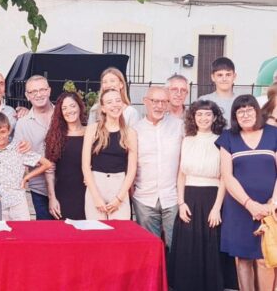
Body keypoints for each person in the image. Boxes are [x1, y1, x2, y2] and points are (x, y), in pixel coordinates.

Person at [168, 100, 233, 291]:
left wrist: (217, 208)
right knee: (188, 245)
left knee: (210, 245)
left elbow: (224, 177)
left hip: (212, 198)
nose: (203, 118)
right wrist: (181, 203)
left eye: (207, 114)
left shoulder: (222, 140)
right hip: (189, 198)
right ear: (193, 117)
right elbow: (181, 174)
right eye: (199, 114)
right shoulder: (187, 140)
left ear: (215, 117)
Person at [216, 95, 277, 291]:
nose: (245, 114)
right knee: (243, 260)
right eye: (240, 111)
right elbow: (227, 176)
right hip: (239, 208)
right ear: (235, 116)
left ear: (257, 111)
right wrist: (250, 204)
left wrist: (272, 204)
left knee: (266, 258)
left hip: (270, 209)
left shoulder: (274, 134)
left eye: (249, 109)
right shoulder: (228, 137)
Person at [132, 87, 184, 250]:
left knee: (175, 246)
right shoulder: (135, 129)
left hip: (172, 196)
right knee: (150, 248)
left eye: (164, 102)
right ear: (145, 101)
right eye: (155, 101)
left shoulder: (179, 126)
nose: (159, 106)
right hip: (144, 197)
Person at [82, 88, 138, 220]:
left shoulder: (130, 133)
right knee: (96, 230)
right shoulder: (92, 130)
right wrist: (96, 197)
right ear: (103, 108)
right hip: (96, 185)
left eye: (118, 100)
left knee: (120, 231)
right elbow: (85, 166)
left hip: (119, 186)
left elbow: (132, 169)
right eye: (109, 102)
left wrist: (119, 198)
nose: (115, 105)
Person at [0, 113, 52, 220]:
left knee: (23, 229)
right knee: (0, 230)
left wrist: (26, 177)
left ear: (9, 130)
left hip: (18, 203)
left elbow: (47, 164)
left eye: (3, 132)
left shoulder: (19, 149)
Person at [13, 75, 54, 220]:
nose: (38, 94)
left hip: (66, 185)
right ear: (27, 96)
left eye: (42, 89)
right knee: (44, 230)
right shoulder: (22, 123)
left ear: (49, 90)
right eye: (33, 91)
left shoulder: (63, 114)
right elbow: (19, 156)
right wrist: (39, 162)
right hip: (39, 188)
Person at [44, 91, 87, 220]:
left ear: (80, 106)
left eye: (72, 106)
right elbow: (49, 170)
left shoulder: (91, 133)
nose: (69, 111)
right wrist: (52, 198)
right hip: (64, 195)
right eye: (64, 108)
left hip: (89, 193)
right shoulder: (55, 136)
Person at [199, 57, 237, 127]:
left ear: (234, 76)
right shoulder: (204, 100)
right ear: (213, 77)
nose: (224, 79)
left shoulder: (240, 101)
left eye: (228, 75)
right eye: (220, 75)